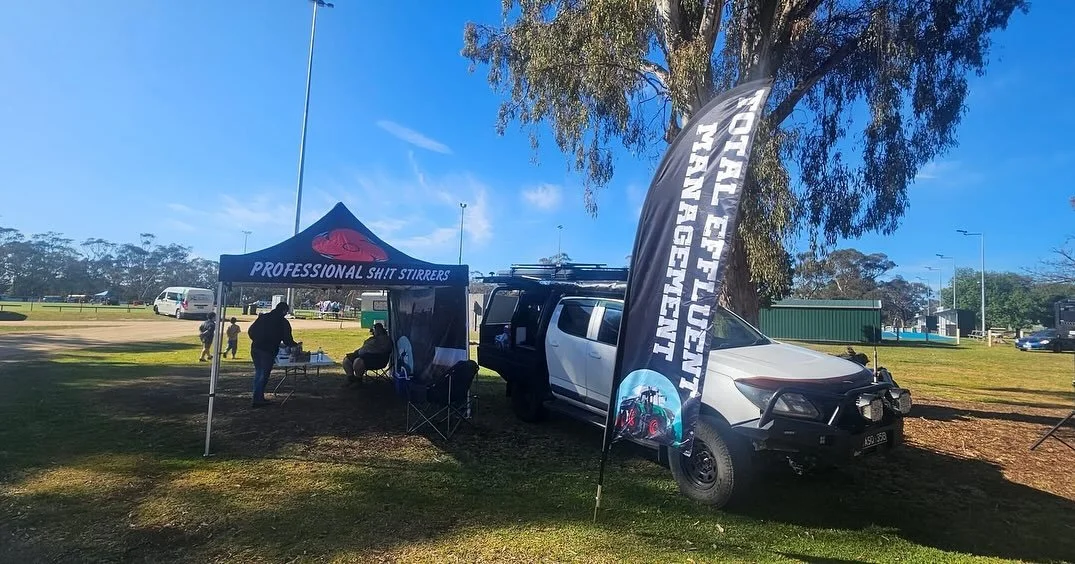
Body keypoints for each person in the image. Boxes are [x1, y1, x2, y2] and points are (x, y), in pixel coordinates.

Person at [247, 302, 298, 407]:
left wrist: (257, 340)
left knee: (259, 372)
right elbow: (287, 339)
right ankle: (257, 400)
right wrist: (294, 345)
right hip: (268, 350)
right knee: (263, 375)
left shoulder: (263, 317)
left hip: (256, 347)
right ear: (284, 311)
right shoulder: (283, 322)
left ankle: (258, 396)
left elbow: (251, 331)